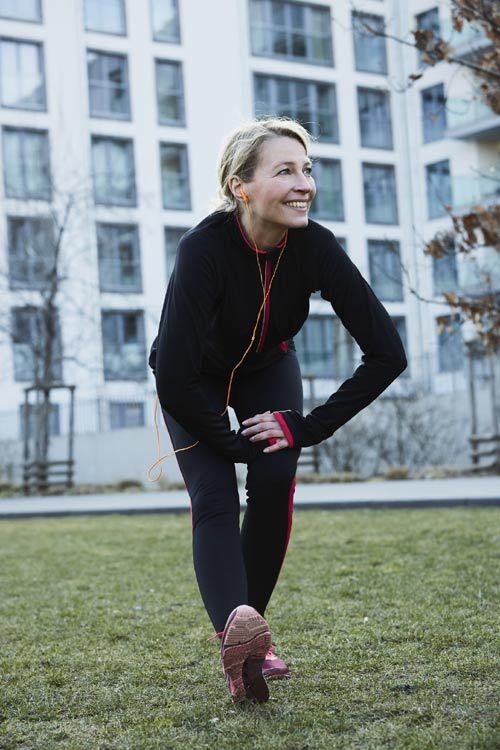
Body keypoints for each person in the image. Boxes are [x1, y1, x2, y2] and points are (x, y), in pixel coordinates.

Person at [148, 117, 407, 704]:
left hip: (267, 367)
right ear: (241, 186)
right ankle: (235, 632)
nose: (304, 183)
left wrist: (306, 426)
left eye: (307, 169)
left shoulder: (314, 246)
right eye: (285, 170)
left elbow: (388, 353)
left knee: (274, 478)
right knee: (214, 496)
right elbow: (175, 374)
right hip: (192, 381)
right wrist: (229, 440)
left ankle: (249, 640)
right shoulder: (204, 249)